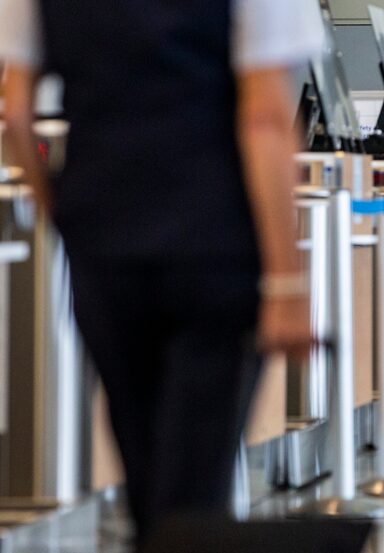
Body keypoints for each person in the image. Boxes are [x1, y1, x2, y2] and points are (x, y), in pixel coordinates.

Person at [0, 0, 324, 544]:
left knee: (145, 474)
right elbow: (266, 116)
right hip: (214, 245)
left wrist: (59, 210)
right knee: (195, 490)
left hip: (104, 244)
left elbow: (14, 109)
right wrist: (288, 281)